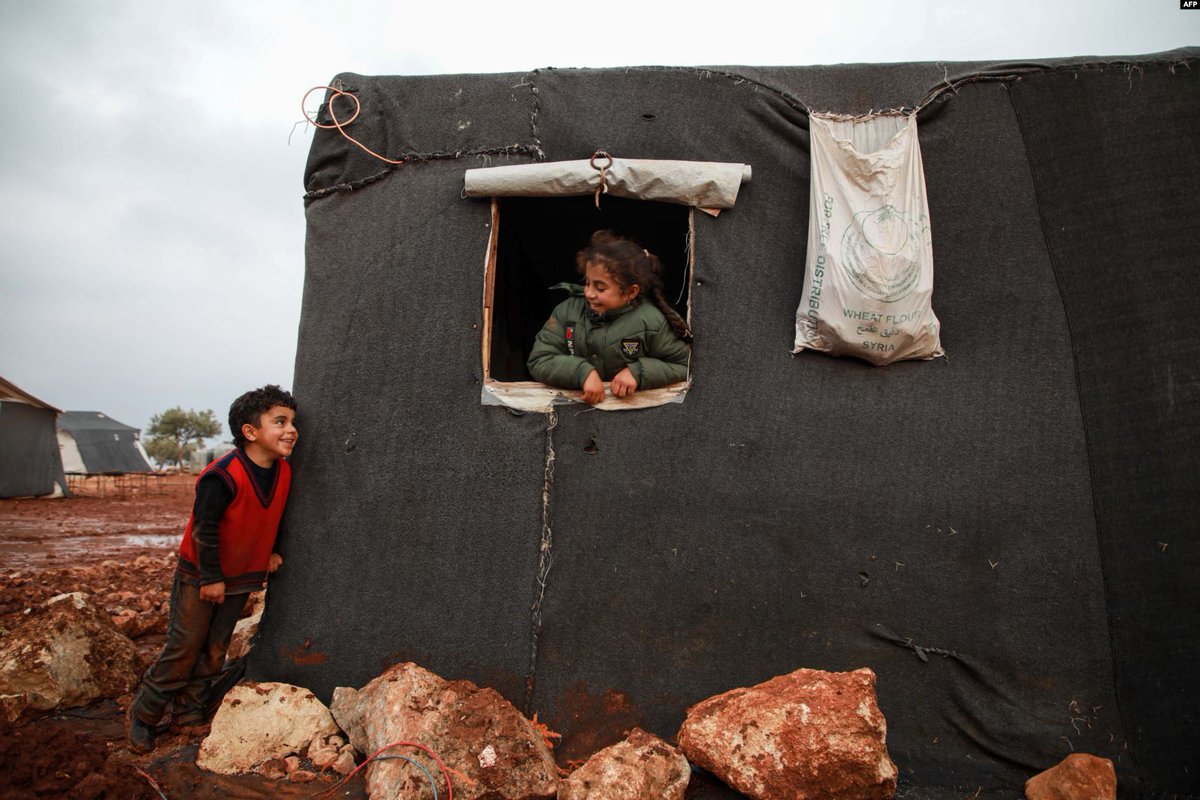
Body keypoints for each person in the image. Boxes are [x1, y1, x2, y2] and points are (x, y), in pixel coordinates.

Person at [127, 385, 298, 753]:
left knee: (215, 648)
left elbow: (275, 516)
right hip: (202, 577)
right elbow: (203, 528)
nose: (290, 430)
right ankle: (146, 714)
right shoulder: (222, 475)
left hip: (241, 576)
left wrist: (272, 550)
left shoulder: (283, 472)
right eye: (280, 422)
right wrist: (211, 578)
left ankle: (189, 713)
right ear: (250, 432)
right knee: (185, 646)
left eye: (292, 422)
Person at [527, 230, 691, 404]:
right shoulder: (567, 312)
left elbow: (684, 365)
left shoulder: (651, 321)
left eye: (600, 288)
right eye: (587, 283)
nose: (589, 293)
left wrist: (638, 372)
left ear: (630, 292)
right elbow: (539, 360)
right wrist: (582, 373)